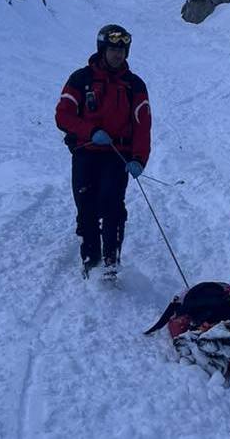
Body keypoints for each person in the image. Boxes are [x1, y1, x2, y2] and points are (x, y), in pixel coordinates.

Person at [55, 24, 151, 281]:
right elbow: (63, 115)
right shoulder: (81, 79)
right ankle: (91, 256)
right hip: (86, 152)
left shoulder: (134, 85)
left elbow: (143, 125)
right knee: (85, 206)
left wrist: (139, 159)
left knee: (112, 204)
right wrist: (89, 130)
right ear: (102, 49)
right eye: (112, 49)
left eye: (122, 50)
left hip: (117, 154)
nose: (117, 54)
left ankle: (110, 259)